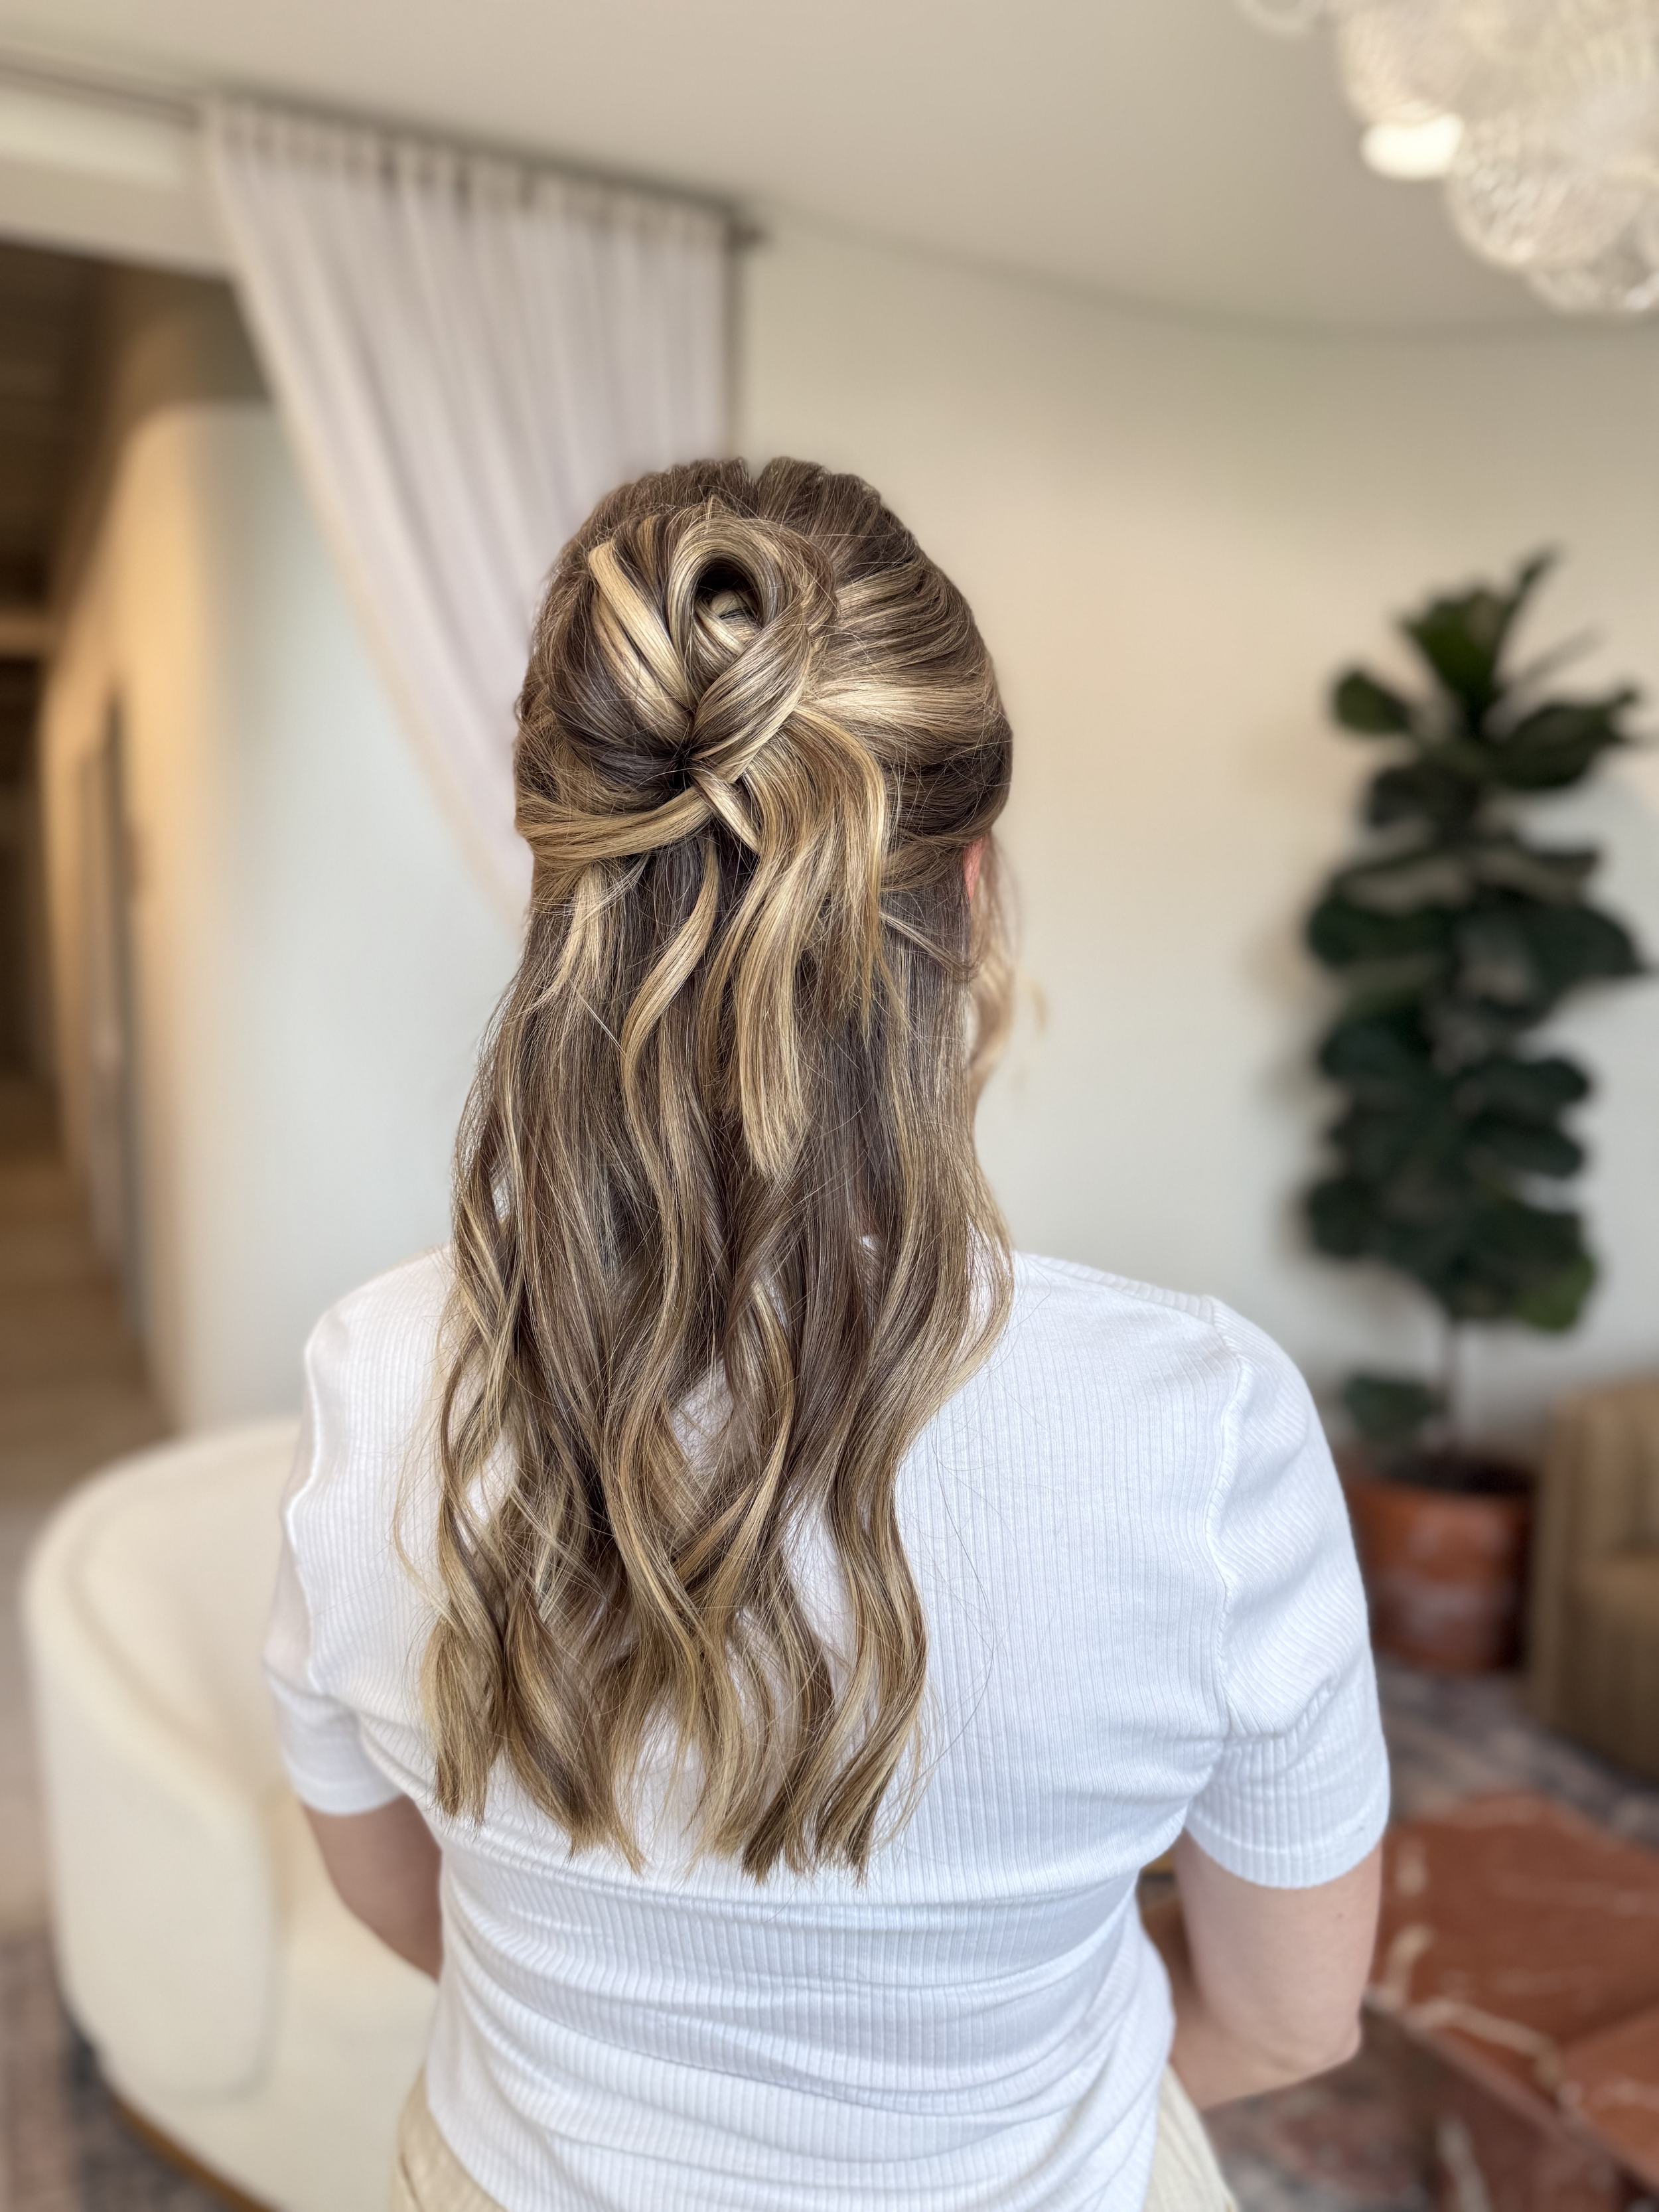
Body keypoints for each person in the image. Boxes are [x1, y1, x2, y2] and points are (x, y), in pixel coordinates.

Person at [265, 457, 1387, 2212]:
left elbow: (395, 1897)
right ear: (973, 889)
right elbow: (1295, 2017)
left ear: (564, 877)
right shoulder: (1201, 1426)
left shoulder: (374, 1373)